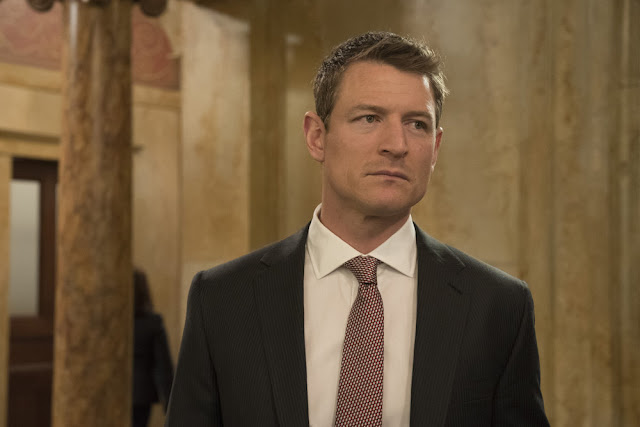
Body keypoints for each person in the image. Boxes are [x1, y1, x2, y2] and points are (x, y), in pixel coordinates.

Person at [166, 31, 549, 426]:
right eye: (369, 118)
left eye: (417, 124)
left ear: (435, 148)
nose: (396, 144)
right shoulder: (223, 299)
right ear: (317, 137)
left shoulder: (497, 306)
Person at [133, 268, 174, 427]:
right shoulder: (153, 323)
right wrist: (170, 406)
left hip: (112, 391)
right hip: (141, 395)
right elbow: (164, 367)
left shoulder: (111, 325)